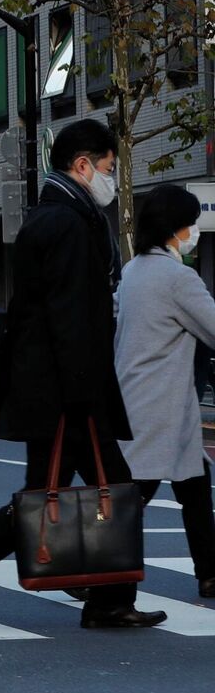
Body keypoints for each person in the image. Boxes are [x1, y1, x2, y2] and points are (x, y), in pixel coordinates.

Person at [0, 117, 164, 631]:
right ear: (82, 165)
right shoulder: (70, 223)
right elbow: (71, 316)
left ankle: (107, 599)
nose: (108, 178)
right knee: (103, 491)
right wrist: (83, 397)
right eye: (107, 168)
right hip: (69, 391)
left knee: (55, 496)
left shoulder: (51, 215)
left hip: (52, 386)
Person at [114, 184, 215, 593]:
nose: (193, 232)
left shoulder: (132, 270)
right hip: (162, 405)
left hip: (140, 398)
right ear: (175, 228)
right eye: (190, 225)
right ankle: (106, 582)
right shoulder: (178, 278)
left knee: (193, 483)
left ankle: (210, 571)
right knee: (134, 497)